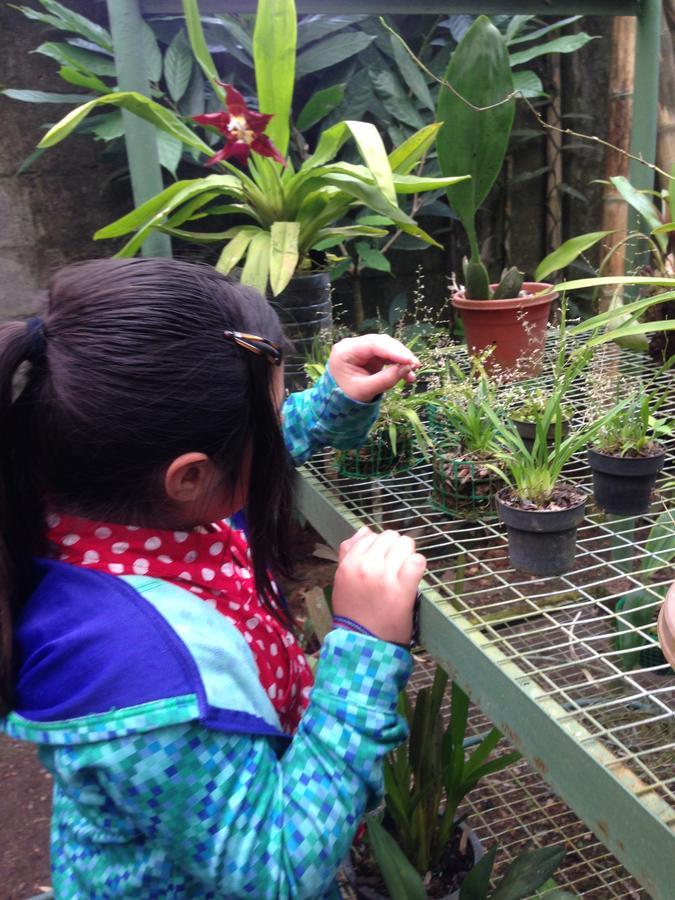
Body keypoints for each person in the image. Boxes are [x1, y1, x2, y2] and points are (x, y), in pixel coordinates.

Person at [0, 258, 427, 899]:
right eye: (276, 405)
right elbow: (275, 869)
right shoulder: (143, 681)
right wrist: (364, 649)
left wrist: (329, 403)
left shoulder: (94, 504)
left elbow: (240, 454)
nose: (281, 418)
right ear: (190, 477)